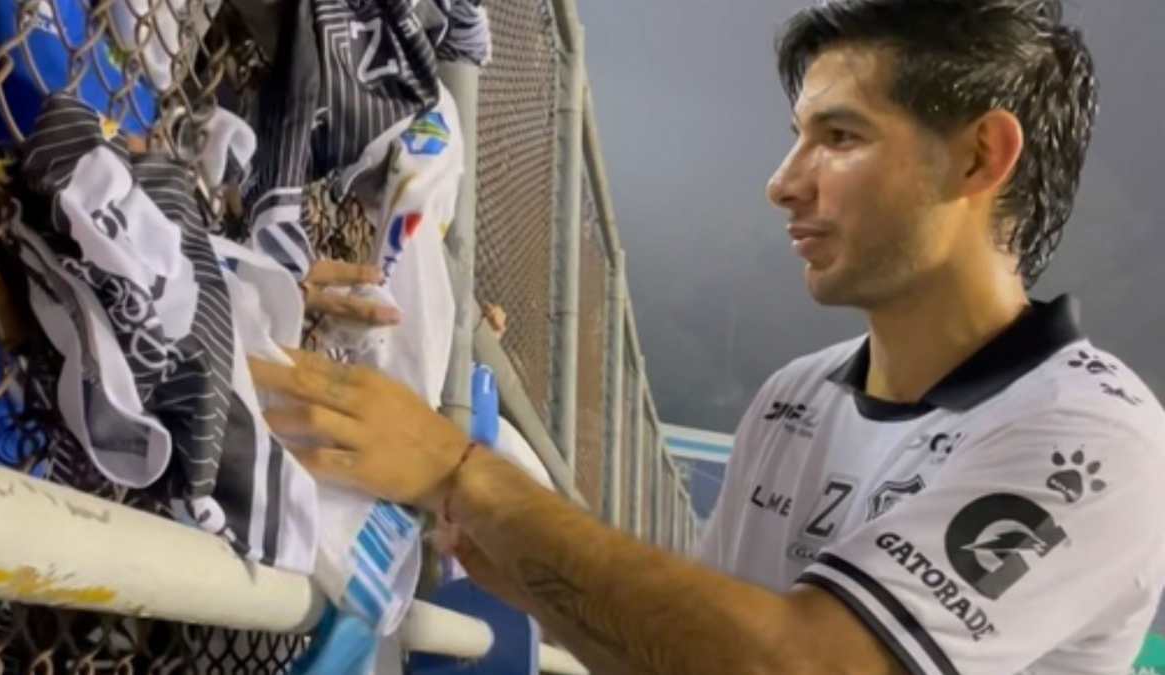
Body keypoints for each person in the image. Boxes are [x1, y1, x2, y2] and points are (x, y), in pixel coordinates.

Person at [249, 1, 1165, 673]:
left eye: (839, 136)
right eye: (797, 135)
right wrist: (515, 554)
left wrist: (461, 472)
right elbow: (683, 654)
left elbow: (805, 665)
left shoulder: (1096, 436)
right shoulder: (795, 398)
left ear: (979, 155)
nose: (783, 181)